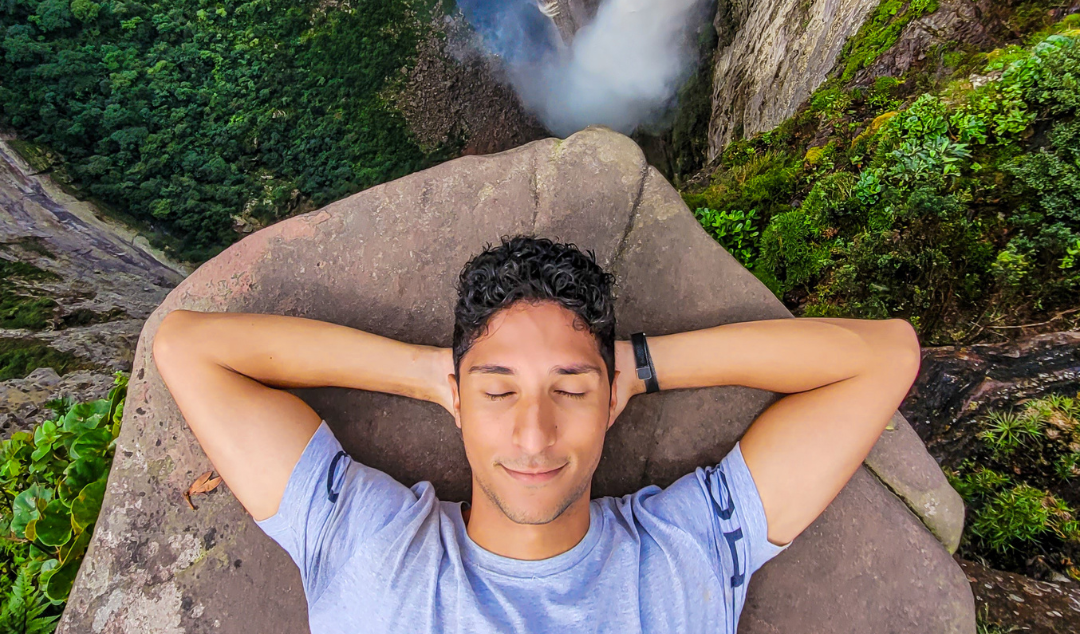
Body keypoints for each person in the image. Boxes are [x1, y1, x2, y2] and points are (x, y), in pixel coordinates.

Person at [153, 235, 920, 633]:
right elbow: (187, 348)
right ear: (461, 396)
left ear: (609, 399)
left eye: (570, 390)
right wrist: (432, 376)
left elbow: (885, 358)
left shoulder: (689, 552)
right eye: (499, 391)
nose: (533, 432)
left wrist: (642, 365)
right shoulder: (367, 545)